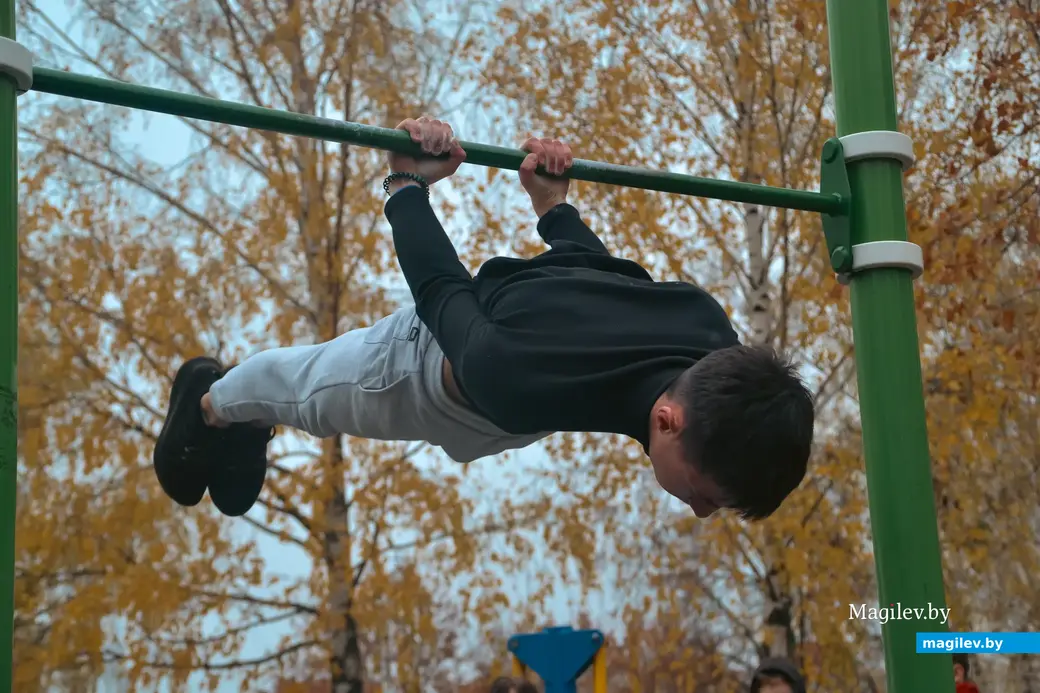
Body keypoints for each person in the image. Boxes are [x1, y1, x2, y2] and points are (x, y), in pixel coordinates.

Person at [152, 115, 815, 518]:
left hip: (507, 367)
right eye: (705, 494)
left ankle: (242, 414)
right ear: (668, 420)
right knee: (313, 392)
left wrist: (554, 207)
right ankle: (212, 402)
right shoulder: (515, 374)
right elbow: (440, 289)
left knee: (314, 394)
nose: (700, 510)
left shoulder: (706, 329)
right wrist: (406, 185)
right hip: (428, 367)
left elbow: (595, 276)